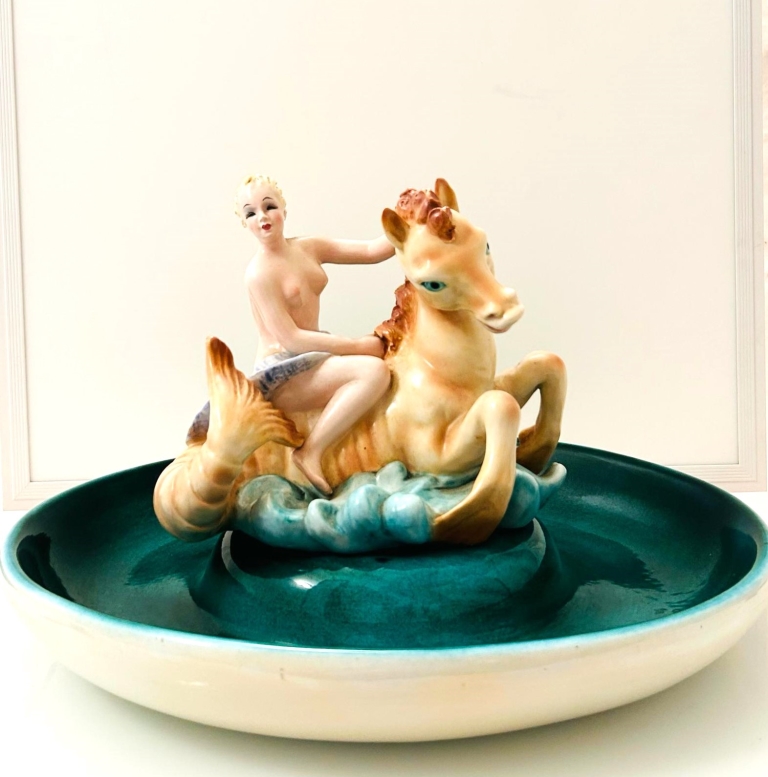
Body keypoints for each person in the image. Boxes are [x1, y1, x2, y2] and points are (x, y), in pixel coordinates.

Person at [235, 175, 394, 494]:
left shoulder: (308, 247)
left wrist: (412, 220)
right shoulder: (258, 274)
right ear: (244, 223)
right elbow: (292, 339)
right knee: (373, 372)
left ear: (284, 209)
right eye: (251, 213)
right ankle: (310, 452)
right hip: (283, 372)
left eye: (269, 206)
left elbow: (370, 250)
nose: (263, 217)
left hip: (313, 357)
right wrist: (355, 346)